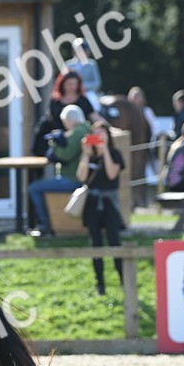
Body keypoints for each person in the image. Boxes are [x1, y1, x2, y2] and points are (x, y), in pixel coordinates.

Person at [76, 119, 125, 295]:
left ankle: (123, 282)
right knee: (96, 245)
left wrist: (105, 151)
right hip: (92, 204)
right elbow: (81, 177)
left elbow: (112, 175)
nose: (98, 137)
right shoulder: (89, 156)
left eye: (102, 134)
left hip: (109, 203)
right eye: (95, 134)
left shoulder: (115, 154)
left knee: (114, 243)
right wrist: (86, 154)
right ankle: (100, 285)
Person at [29, 104, 90, 236]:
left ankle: (44, 225)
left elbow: (65, 155)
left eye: (64, 122)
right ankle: (45, 223)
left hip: (72, 179)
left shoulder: (78, 132)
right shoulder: (84, 129)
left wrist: (54, 143)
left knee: (34, 188)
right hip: (74, 177)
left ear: (69, 120)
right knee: (38, 186)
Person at [32, 71, 103, 156]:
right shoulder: (55, 100)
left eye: (74, 84)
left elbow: (94, 116)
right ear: (62, 84)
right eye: (69, 84)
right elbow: (50, 118)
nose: (72, 87)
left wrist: (106, 127)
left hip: (77, 138)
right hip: (60, 138)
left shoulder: (83, 100)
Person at [64, 39, 102, 111]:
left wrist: (82, 86)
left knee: (94, 104)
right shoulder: (68, 65)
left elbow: (97, 83)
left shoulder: (91, 64)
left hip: (87, 92)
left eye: (84, 50)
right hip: (71, 92)